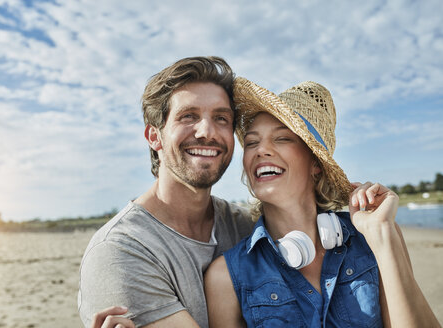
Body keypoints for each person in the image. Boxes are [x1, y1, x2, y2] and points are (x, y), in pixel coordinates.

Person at [204, 78, 440, 327]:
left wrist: (383, 235)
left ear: (316, 163)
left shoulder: (374, 238)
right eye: (252, 142)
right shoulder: (226, 278)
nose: (261, 150)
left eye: (282, 138)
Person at [78, 57, 254, 328]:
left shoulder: (247, 228)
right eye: (188, 116)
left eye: (221, 118)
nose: (207, 131)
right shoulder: (120, 252)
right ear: (154, 136)